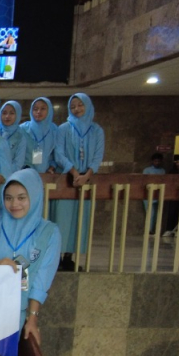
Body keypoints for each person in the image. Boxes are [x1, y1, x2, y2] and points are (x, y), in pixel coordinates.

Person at [0, 169, 63, 345]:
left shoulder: (48, 233)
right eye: (8, 198)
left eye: (21, 198)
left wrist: (32, 318)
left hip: (16, 315)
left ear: (34, 196)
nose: (14, 204)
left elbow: (42, 278)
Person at [52, 93, 105, 271]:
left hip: (86, 181)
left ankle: (70, 257)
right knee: (62, 219)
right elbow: (59, 154)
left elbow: (98, 155)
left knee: (80, 220)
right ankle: (58, 257)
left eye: (80, 105)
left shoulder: (97, 130)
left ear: (88, 106)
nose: (76, 109)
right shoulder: (64, 129)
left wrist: (87, 175)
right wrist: (74, 173)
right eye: (73, 106)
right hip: (67, 179)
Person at [20, 97, 59, 174]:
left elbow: (56, 153)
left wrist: (52, 167)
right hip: (25, 172)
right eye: (35, 109)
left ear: (49, 110)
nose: (38, 112)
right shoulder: (23, 129)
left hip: (47, 173)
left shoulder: (54, 130)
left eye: (43, 109)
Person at [0, 101, 33, 171]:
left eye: (12, 113)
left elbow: (18, 163)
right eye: (4, 113)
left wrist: (4, 173)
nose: (7, 116)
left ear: (18, 115)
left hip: (10, 173)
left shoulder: (20, 136)